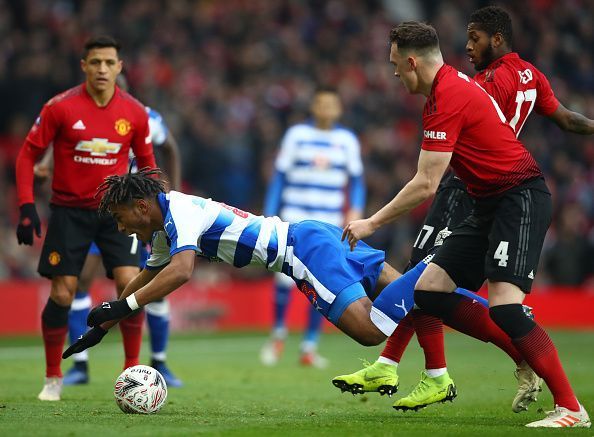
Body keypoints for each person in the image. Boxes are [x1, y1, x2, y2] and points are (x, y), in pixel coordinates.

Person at [68, 169, 533, 424]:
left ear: (142, 205)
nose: (119, 224)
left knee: (371, 331)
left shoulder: (181, 212)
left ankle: (443, 264)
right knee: (425, 299)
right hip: (315, 235)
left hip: (302, 250)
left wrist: (123, 306)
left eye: (121, 214)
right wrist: (101, 324)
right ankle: (516, 349)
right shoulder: (165, 231)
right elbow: (149, 276)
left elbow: (181, 273)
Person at [334, 5, 594, 414]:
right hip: (485, 199)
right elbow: (562, 118)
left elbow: (425, 183)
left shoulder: (456, 92)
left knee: (506, 308)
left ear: (412, 61)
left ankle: (570, 406)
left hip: (517, 196)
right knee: (428, 289)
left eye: (395, 65)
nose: (394, 74)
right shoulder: (458, 85)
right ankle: (435, 365)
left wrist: (371, 222)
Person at [15, 35, 156, 401]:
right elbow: (27, 156)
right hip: (69, 214)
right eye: (96, 62)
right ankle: (53, 376)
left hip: (117, 213)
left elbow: (148, 167)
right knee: (62, 293)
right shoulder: (60, 107)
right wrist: (27, 206)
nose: (103, 69)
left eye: (110, 63)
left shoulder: (135, 113)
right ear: (84, 66)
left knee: (131, 285)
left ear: (120, 67)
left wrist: (152, 216)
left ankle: (132, 371)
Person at [33, 77, 183, 387]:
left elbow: (170, 147)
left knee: (142, 280)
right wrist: (47, 164)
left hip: (132, 217)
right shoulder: (82, 115)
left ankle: (157, 361)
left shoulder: (144, 116)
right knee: (81, 281)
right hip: (89, 212)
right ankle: (80, 364)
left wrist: (171, 191)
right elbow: (60, 143)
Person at [260, 86, 365, 368]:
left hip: (329, 220)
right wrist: (271, 212)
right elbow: (279, 176)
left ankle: (309, 346)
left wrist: (355, 211)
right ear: (314, 107)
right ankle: (278, 336)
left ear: (339, 109)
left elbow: (356, 181)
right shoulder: (297, 135)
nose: (326, 109)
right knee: (283, 277)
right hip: (295, 215)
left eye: (332, 104)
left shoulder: (347, 140)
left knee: (322, 280)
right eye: (321, 104)